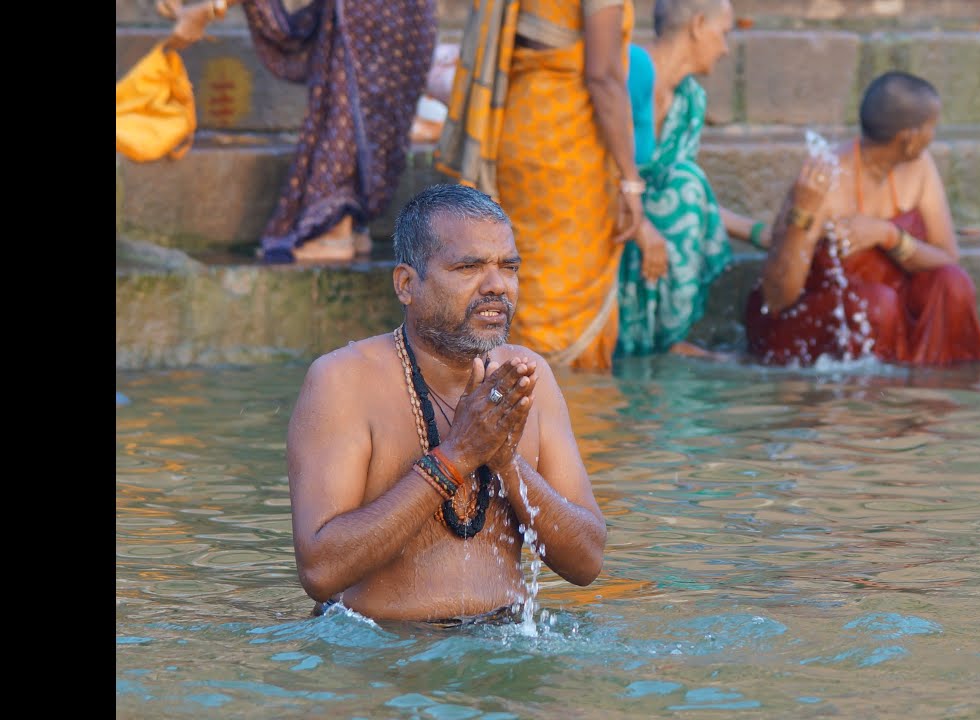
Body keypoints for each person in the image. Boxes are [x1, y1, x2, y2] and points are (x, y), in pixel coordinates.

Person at [285, 183, 606, 623]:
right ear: (406, 284)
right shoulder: (342, 380)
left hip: (505, 648)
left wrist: (507, 462)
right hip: (382, 660)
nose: (497, 286)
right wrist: (457, 456)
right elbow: (320, 571)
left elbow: (587, 562)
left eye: (508, 267)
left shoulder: (528, 377)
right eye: (468, 267)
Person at [435, 0, 644, 371]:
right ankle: (571, 416)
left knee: (523, 285)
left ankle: (510, 400)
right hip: (566, 149)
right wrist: (630, 180)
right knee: (561, 305)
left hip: (518, 129)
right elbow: (604, 76)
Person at [744, 71, 980, 367]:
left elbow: (947, 256)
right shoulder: (828, 179)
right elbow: (778, 299)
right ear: (909, 139)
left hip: (891, 312)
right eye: (931, 127)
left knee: (953, 283)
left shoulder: (919, 165)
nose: (933, 136)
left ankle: (936, 383)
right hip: (811, 324)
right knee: (875, 304)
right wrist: (803, 211)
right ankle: (867, 397)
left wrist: (888, 235)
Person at [160, 0, 436, 263]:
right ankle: (348, 220)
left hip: (372, 17)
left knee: (347, 107)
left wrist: (209, 8)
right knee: (358, 104)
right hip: (407, 16)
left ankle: (333, 225)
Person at [615, 0, 767, 360]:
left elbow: (687, 198)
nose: (726, 48)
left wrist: (760, 234)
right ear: (698, 25)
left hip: (649, 235)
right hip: (607, 217)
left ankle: (663, 341)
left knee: (687, 179)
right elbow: (593, 168)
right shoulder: (630, 70)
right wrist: (642, 227)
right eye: (724, 33)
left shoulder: (690, 101)